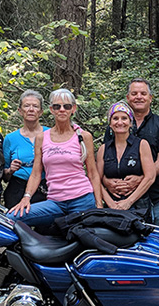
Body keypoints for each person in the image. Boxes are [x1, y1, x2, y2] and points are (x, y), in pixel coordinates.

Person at [7, 89, 102, 227]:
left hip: (82, 199)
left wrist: (99, 205)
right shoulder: (42, 138)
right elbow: (36, 173)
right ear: (51, 110)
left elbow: (92, 173)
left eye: (67, 106)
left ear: (73, 109)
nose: (62, 110)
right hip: (55, 202)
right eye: (57, 106)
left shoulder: (83, 136)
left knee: (79, 235)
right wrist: (26, 198)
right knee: (12, 217)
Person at [103, 78, 159, 231]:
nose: (139, 97)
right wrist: (107, 182)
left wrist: (141, 179)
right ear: (128, 97)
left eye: (143, 93)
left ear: (150, 98)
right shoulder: (116, 126)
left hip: (157, 194)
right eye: (134, 93)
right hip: (120, 196)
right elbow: (105, 158)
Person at [97, 101, 156, 214]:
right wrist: (110, 203)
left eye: (124, 118)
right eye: (115, 118)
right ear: (110, 123)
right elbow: (96, 180)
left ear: (130, 123)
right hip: (111, 207)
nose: (120, 122)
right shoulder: (103, 149)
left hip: (139, 206)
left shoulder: (141, 145)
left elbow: (150, 177)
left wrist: (128, 202)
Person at [3, 90, 49, 208]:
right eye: (27, 106)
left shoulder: (50, 134)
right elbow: (4, 176)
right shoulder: (10, 139)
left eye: (35, 106)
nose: (31, 109)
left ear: (41, 112)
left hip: (45, 188)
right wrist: (10, 170)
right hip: (17, 188)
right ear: (20, 111)